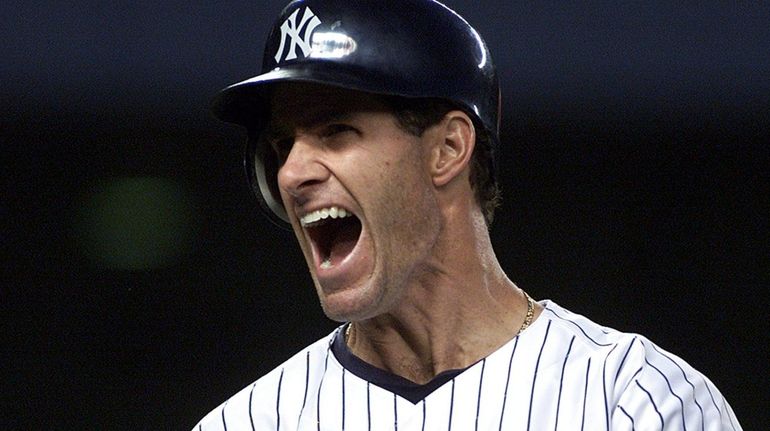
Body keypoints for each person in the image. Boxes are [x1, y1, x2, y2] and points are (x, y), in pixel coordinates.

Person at [194, 0, 741, 429]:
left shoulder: (635, 402)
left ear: (448, 149)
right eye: (283, 144)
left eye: (335, 130)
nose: (292, 173)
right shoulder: (249, 421)